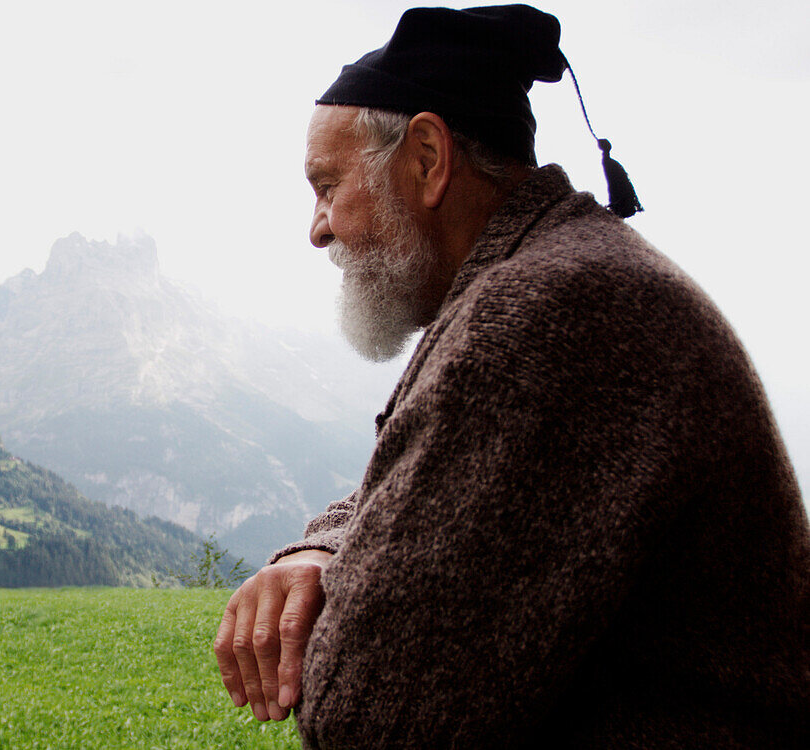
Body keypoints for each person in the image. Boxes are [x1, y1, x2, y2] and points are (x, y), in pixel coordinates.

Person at [213, 5, 810, 748]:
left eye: (327, 185)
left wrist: (329, 604)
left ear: (428, 158)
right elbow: (399, 487)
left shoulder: (545, 314)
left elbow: (371, 712)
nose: (317, 227)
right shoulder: (549, 276)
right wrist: (320, 551)